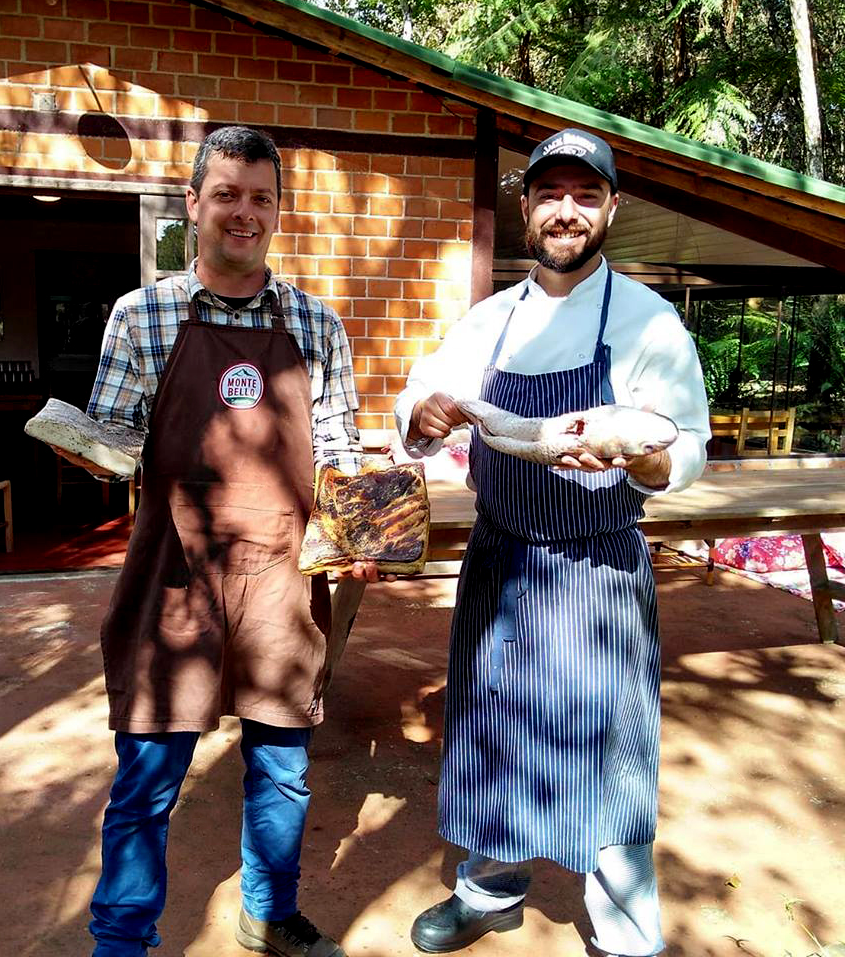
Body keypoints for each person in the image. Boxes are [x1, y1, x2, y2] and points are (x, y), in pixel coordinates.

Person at [394, 129, 711, 957]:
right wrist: (424, 413)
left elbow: (689, 446)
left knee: (612, 754)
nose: (566, 210)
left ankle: (628, 934)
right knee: (495, 733)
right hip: (502, 562)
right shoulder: (490, 322)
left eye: (585, 194)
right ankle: (488, 891)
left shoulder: (649, 322)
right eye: (550, 194)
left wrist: (644, 456)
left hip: (598, 569)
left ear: (612, 208)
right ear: (527, 207)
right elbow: (419, 400)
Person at [81, 126, 380, 957]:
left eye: (260, 198)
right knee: (147, 779)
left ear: (278, 211)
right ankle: (122, 938)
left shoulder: (315, 323)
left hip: (281, 579)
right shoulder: (141, 315)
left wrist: (359, 532)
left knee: (282, 771)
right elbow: (111, 443)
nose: (243, 213)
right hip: (173, 580)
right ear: (193, 204)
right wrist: (82, 443)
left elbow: (340, 453)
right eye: (226, 195)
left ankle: (268, 912)